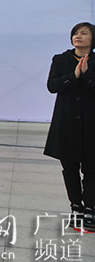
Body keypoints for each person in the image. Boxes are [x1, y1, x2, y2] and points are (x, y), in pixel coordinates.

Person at [44, 22, 95, 231]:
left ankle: (91, 208)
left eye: (84, 33)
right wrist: (74, 76)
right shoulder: (61, 59)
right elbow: (52, 86)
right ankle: (76, 206)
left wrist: (87, 75)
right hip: (66, 122)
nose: (78, 36)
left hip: (91, 122)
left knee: (91, 168)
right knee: (70, 167)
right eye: (75, 33)